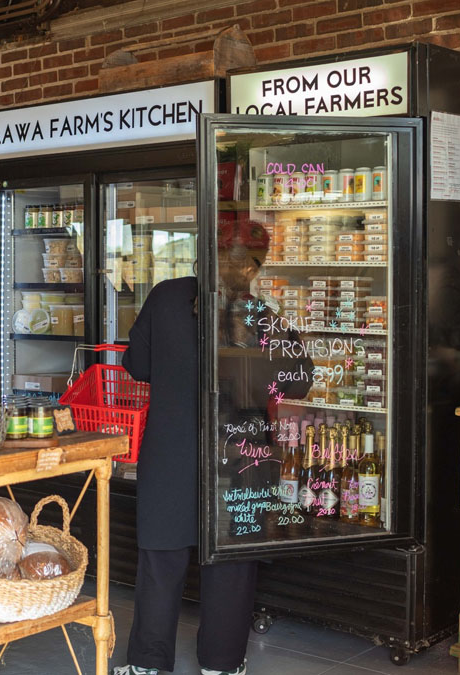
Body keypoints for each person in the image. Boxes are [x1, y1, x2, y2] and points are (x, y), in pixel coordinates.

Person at [117, 231, 312, 675]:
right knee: (231, 559)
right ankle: (221, 664)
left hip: (171, 449)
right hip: (240, 454)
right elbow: (300, 378)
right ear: (247, 267)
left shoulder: (166, 296)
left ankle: (148, 664)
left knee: (161, 559)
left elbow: (137, 365)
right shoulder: (260, 315)